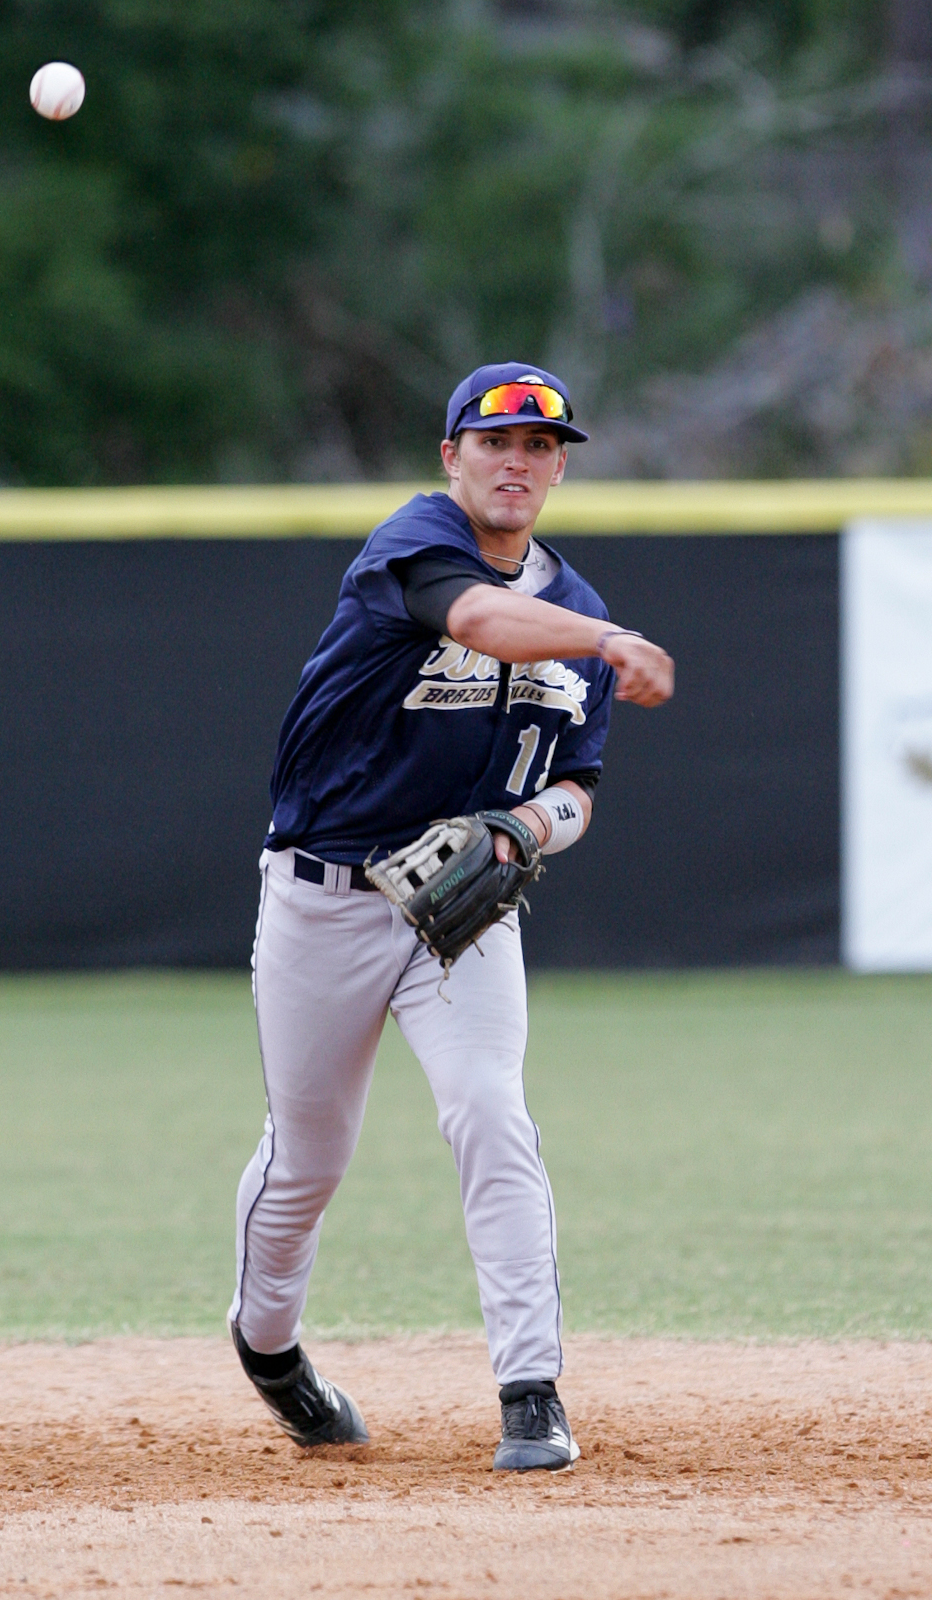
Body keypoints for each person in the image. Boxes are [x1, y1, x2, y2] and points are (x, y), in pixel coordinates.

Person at [228, 362, 674, 1472]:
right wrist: (602, 644)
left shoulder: (578, 615)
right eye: (493, 444)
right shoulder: (413, 546)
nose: (515, 463)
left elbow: (579, 786)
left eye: (538, 446)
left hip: (460, 910)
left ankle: (531, 1392)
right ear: (450, 458)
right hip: (325, 897)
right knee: (308, 1158)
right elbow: (477, 618)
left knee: (488, 1109)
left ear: (559, 465)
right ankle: (269, 1346)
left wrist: (526, 830)